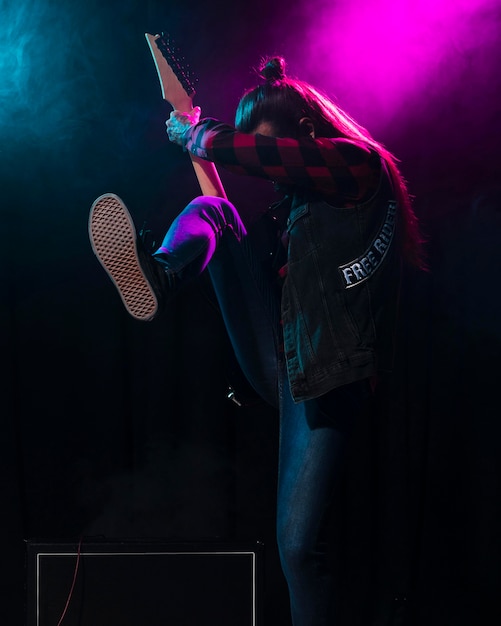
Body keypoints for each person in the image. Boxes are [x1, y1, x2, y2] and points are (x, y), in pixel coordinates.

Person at [89, 56, 426, 625]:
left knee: (297, 547)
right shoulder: (302, 210)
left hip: (334, 373)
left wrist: (202, 133)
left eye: (272, 156)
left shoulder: (358, 164)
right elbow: (254, 205)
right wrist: (195, 133)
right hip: (285, 359)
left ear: (305, 134)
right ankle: (162, 274)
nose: (272, 179)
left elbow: (269, 157)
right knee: (216, 210)